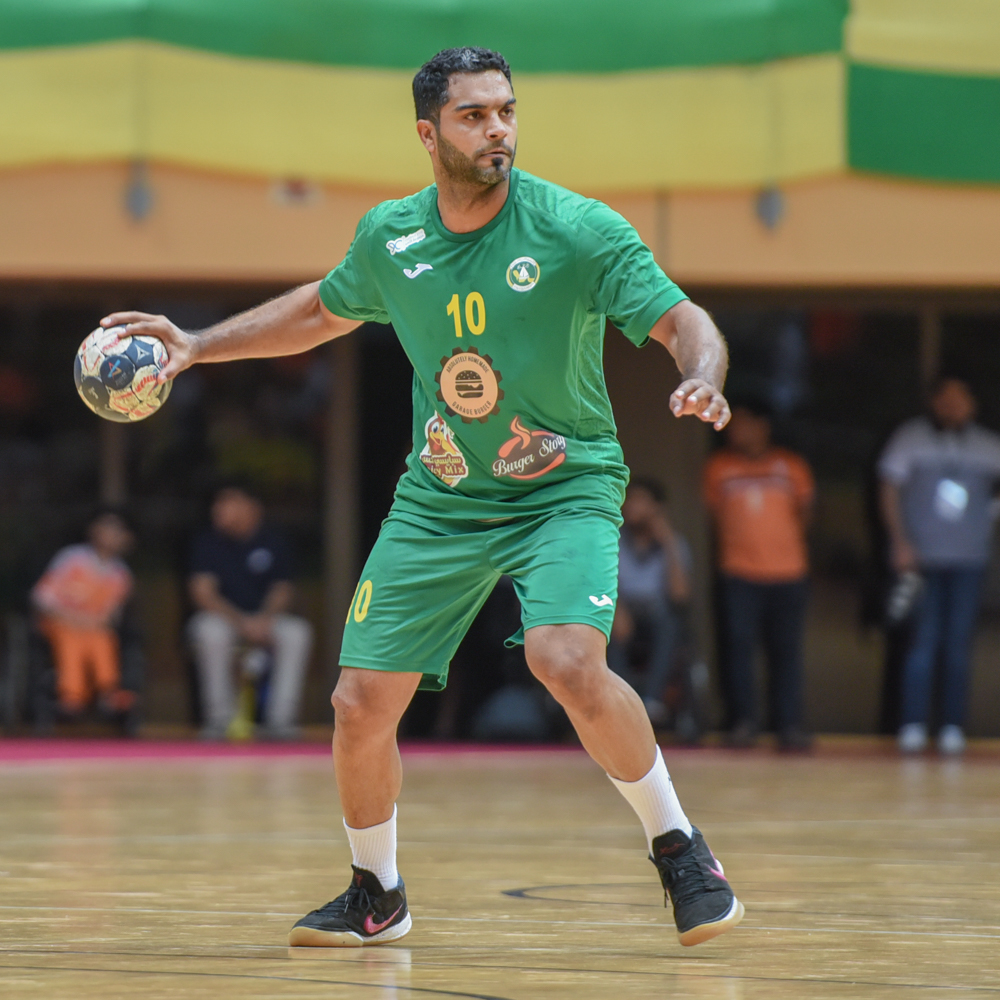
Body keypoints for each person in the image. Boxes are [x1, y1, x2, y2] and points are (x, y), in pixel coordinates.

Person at [101, 47, 743, 948]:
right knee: (359, 702)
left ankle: (681, 850)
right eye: (474, 116)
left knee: (564, 659)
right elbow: (320, 311)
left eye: (506, 111)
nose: (497, 130)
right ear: (428, 134)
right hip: (440, 498)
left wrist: (702, 373)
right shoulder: (390, 237)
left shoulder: (575, 228)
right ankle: (378, 894)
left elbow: (682, 321)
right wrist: (199, 344)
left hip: (562, 488)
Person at [878, 377, 1000, 755]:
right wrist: (900, 542)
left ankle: (952, 726)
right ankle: (912, 723)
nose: (953, 405)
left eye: (960, 399)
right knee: (922, 642)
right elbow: (889, 487)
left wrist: (989, 516)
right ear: (933, 401)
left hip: (969, 559)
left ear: (973, 403)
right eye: (946, 398)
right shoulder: (910, 437)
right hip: (922, 558)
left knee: (958, 644)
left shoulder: (987, 444)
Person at [703, 403, 814, 750]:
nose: (736, 431)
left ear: (762, 426)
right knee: (737, 651)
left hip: (788, 572)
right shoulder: (719, 467)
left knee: (786, 653)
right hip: (738, 572)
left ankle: (788, 726)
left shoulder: (790, 466)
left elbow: (806, 512)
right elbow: (715, 516)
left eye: (744, 424)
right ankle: (742, 723)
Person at [188, 483, 313, 741]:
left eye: (228, 502)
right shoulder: (208, 542)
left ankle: (281, 721)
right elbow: (203, 593)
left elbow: (283, 589)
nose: (219, 509)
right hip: (226, 619)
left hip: (265, 619)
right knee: (208, 631)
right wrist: (242, 622)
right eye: (218, 503)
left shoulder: (273, 541)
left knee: (297, 632)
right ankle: (219, 720)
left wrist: (263, 619)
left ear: (251, 507)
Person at [31, 509, 136, 717]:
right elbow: (41, 597)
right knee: (71, 640)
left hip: (92, 627)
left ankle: (108, 693)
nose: (112, 535)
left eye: (117, 531)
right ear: (94, 531)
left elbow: (111, 615)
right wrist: (69, 618)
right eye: (107, 528)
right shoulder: (72, 558)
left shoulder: (121, 574)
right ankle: (72, 697)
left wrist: (91, 622)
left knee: (103, 640)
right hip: (58, 621)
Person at [608, 478, 692, 724]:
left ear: (657, 508)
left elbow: (680, 595)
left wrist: (668, 542)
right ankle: (621, 704)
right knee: (607, 623)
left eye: (640, 501)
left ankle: (652, 701)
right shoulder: (613, 540)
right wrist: (617, 609)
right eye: (630, 500)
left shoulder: (674, 544)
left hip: (658, 613)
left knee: (670, 622)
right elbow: (606, 584)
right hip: (623, 607)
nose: (632, 507)